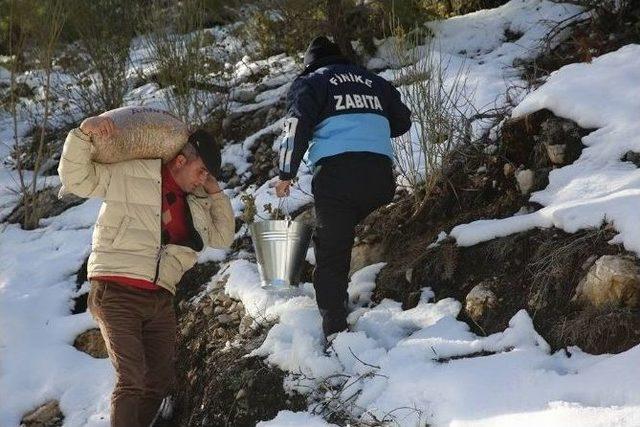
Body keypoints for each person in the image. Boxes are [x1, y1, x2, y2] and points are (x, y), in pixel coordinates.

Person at [57, 115, 235, 427]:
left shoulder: (197, 202)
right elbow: (76, 179)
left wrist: (215, 192)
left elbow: (223, 237)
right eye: (201, 171)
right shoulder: (132, 171)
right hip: (116, 290)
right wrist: (84, 135)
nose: (202, 179)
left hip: (159, 299)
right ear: (180, 160)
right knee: (132, 378)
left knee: (159, 381)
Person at [275, 36, 412, 338]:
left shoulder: (312, 82)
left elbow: (296, 124)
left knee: (332, 251)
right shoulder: (372, 80)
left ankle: (336, 329)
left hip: (337, 176)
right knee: (361, 223)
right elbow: (403, 122)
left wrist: (286, 172)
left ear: (309, 63)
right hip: (381, 177)